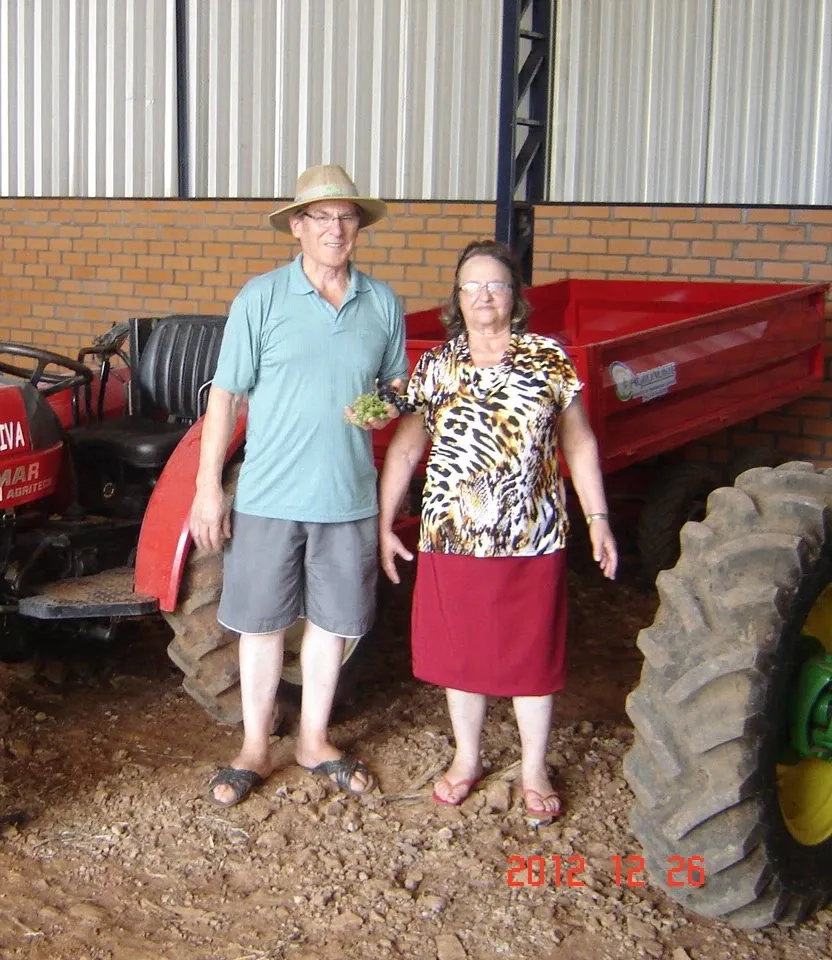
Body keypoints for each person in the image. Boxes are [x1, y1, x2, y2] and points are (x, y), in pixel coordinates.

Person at [188, 163, 407, 807]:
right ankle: (256, 747)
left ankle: (313, 738)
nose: (334, 229)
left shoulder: (381, 302)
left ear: (358, 227)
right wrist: (208, 489)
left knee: (331, 626)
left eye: (345, 217)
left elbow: (395, 389)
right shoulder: (261, 298)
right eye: (320, 217)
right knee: (259, 626)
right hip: (268, 495)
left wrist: (376, 408)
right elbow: (224, 397)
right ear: (296, 228)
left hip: (346, 497)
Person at [378, 239, 618, 825]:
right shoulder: (436, 365)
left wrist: (599, 518)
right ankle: (467, 759)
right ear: (456, 300)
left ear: (515, 296)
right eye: (471, 286)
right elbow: (408, 446)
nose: (483, 296)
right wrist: (384, 523)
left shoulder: (548, 358)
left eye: (495, 285)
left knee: (531, 653)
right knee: (462, 653)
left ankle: (534, 765)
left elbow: (578, 441)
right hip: (453, 535)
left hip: (532, 534)